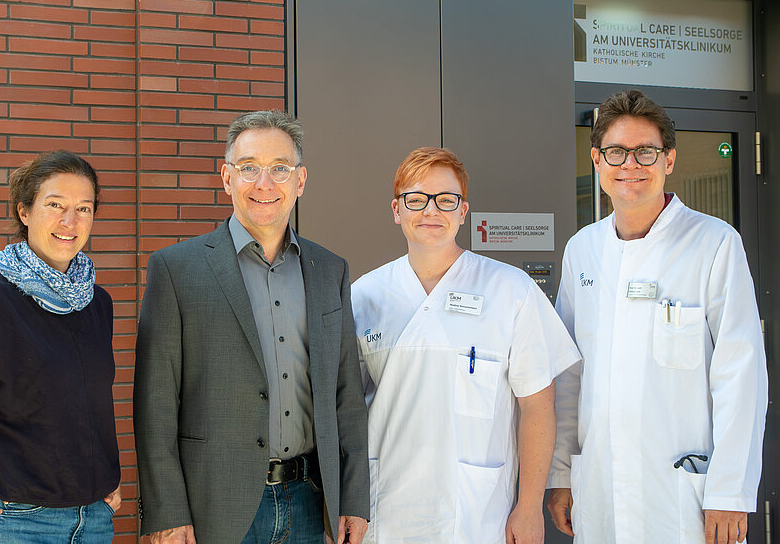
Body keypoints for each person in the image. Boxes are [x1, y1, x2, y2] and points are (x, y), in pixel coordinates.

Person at [133, 110, 369, 544]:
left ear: (300, 180)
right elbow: (155, 404)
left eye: (280, 168)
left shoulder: (329, 270)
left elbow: (346, 397)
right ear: (227, 178)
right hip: (213, 508)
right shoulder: (176, 269)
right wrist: (166, 512)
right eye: (249, 168)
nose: (265, 183)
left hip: (309, 501)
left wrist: (352, 498)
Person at [546, 90, 768, 544]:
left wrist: (729, 490)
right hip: (601, 487)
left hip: (684, 492)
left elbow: (740, 375)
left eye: (645, 151)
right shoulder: (582, 250)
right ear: (597, 160)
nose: (630, 164)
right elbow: (568, 376)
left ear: (668, 159)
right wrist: (561, 473)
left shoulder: (714, 243)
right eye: (616, 152)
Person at [351, 147, 580, 543]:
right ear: (396, 209)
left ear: (463, 211)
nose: (431, 210)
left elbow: (538, 406)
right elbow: (346, 414)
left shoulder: (511, 290)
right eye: (416, 199)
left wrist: (529, 507)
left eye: (446, 199)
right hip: (385, 511)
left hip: (479, 514)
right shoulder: (364, 296)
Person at [0, 151, 121, 544]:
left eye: (83, 208)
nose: (70, 222)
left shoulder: (97, 303)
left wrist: (105, 476)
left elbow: (89, 406)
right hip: (15, 521)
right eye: (55, 205)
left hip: (93, 519)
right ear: (25, 211)